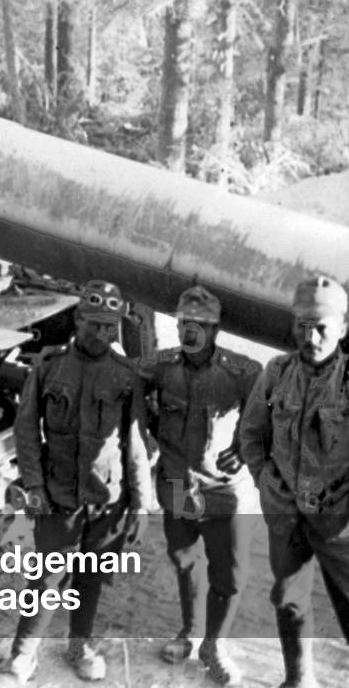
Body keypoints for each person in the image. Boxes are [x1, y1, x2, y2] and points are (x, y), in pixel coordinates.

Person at [0, 280, 153, 686]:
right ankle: (22, 656)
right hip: (57, 494)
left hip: (107, 497)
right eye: (95, 324)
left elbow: (136, 443)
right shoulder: (49, 366)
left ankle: (80, 646)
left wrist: (141, 504)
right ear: (78, 319)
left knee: (91, 576)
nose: (102, 334)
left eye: (110, 327)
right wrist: (34, 487)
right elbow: (26, 429)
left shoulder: (126, 375)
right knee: (46, 577)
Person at [141, 285, 261, 684]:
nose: (190, 331)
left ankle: (215, 645)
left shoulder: (242, 372)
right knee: (186, 561)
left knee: (231, 575)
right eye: (184, 323)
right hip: (178, 482)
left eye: (201, 325)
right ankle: (191, 633)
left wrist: (244, 447)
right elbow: (127, 389)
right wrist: (147, 433)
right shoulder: (161, 367)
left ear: (215, 330)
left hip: (223, 490)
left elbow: (269, 413)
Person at [239, 276, 349, 688]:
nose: (311, 337)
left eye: (321, 327)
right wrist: (265, 482)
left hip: (339, 524)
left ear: (343, 327)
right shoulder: (277, 372)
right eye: (303, 325)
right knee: (289, 601)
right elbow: (252, 434)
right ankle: (298, 680)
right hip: (286, 516)